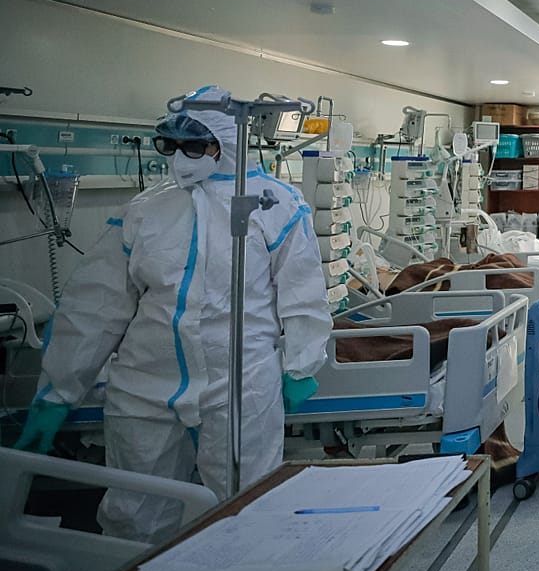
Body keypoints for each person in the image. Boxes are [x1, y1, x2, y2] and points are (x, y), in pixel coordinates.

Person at [11, 86, 331, 543]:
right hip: (144, 385)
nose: (182, 157)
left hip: (237, 381)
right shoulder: (144, 210)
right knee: (133, 513)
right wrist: (58, 390)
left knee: (247, 508)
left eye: (196, 145)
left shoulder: (274, 204)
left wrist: (301, 362)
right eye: (172, 145)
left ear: (228, 145)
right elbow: (95, 306)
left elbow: (303, 293)